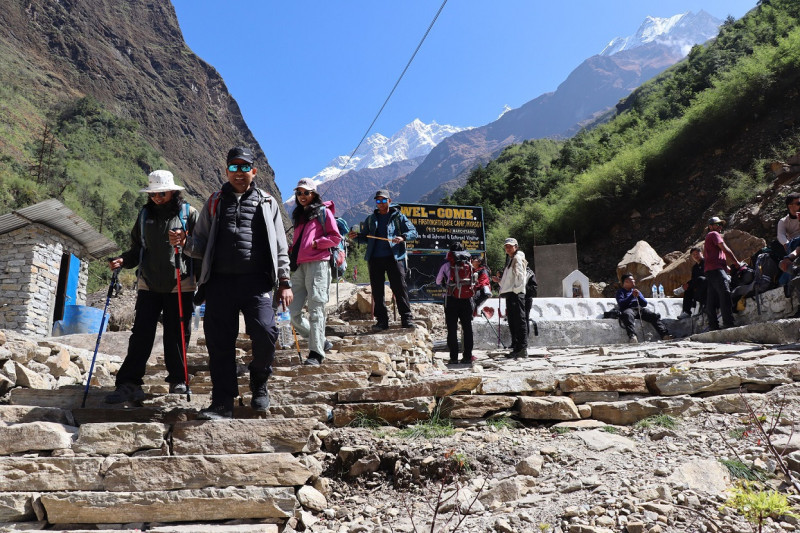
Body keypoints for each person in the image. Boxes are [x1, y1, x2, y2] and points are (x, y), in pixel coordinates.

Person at [181, 146, 293, 420]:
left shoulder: (268, 203)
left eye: (245, 168)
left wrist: (285, 280)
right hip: (219, 283)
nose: (239, 173)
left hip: (257, 282)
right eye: (234, 167)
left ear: (254, 171)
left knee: (266, 333)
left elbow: (280, 245)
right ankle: (222, 402)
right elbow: (201, 243)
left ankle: (259, 381)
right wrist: (184, 243)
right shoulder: (214, 201)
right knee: (219, 342)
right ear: (226, 170)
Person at [105, 170, 198, 403]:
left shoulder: (189, 214)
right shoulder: (144, 214)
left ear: (173, 192)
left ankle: (179, 380)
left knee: (177, 334)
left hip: (181, 283)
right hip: (148, 282)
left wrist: (186, 242)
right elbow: (138, 248)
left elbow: (201, 247)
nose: (157, 197)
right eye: (153, 194)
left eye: (162, 193)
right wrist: (123, 260)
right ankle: (129, 383)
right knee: (141, 334)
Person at [287, 178, 341, 366]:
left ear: (314, 194)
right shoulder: (299, 216)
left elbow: (336, 237)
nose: (302, 196)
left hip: (318, 264)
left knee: (316, 309)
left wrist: (318, 243)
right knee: (292, 311)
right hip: (300, 265)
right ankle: (320, 340)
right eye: (299, 193)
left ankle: (316, 354)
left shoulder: (323, 212)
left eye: (306, 192)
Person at [348, 190, 418, 331]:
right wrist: (355, 237)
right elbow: (366, 238)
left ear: (389, 201)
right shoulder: (371, 219)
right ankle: (382, 322)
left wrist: (403, 237)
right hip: (374, 259)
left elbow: (413, 232)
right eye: (378, 201)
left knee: (400, 288)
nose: (380, 203)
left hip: (395, 258)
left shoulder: (398, 217)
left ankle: (406, 319)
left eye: (383, 200)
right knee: (377, 291)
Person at [704, 216, 744, 331]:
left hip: (710, 270)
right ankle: (728, 322)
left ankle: (713, 325)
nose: (720, 227)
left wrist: (726, 268)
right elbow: (725, 249)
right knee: (725, 294)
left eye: (721, 225)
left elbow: (712, 256)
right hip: (716, 270)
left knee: (711, 298)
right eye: (717, 224)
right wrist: (737, 263)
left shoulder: (708, 238)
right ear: (710, 226)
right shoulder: (714, 234)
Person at [438, 243, 474, 365]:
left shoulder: (446, 264)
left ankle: (453, 358)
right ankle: (468, 357)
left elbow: (438, 281)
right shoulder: (468, 264)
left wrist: (445, 283)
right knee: (467, 328)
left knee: (452, 329)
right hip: (467, 299)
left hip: (451, 298)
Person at [491, 237, 528, 358]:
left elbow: (520, 276)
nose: (508, 248)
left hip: (516, 294)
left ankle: (522, 348)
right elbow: (510, 279)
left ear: (516, 247)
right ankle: (517, 348)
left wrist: (517, 290)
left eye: (510, 246)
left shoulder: (517, 258)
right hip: (511, 293)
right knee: (513, 321)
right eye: (506, 246)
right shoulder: (511, 259)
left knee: (519, 321)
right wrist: (500, 282)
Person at [615, 274, 672, 343]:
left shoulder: (636, 291)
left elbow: (644, 303)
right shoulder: (620, 292)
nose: (634, 281)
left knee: (653, 316)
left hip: (639, 308)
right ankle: (632, 336)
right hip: (628, 309)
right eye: (632, 280)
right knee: (627, 315)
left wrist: (638, 296)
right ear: (626, 281)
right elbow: (621, 304)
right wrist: (631, 296)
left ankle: (665, 335)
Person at [675, 247, 706, 319]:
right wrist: (688, 285)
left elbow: (703, 275)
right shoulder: (695, 267)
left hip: (708, 283)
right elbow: (693, 279)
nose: (696, 256)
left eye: (697, 254)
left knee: (700, 279)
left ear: (701, 253)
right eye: (693, 255)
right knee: (688, 290)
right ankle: (686, 312)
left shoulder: (706, 262)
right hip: (699, 287)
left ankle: (682, 288)